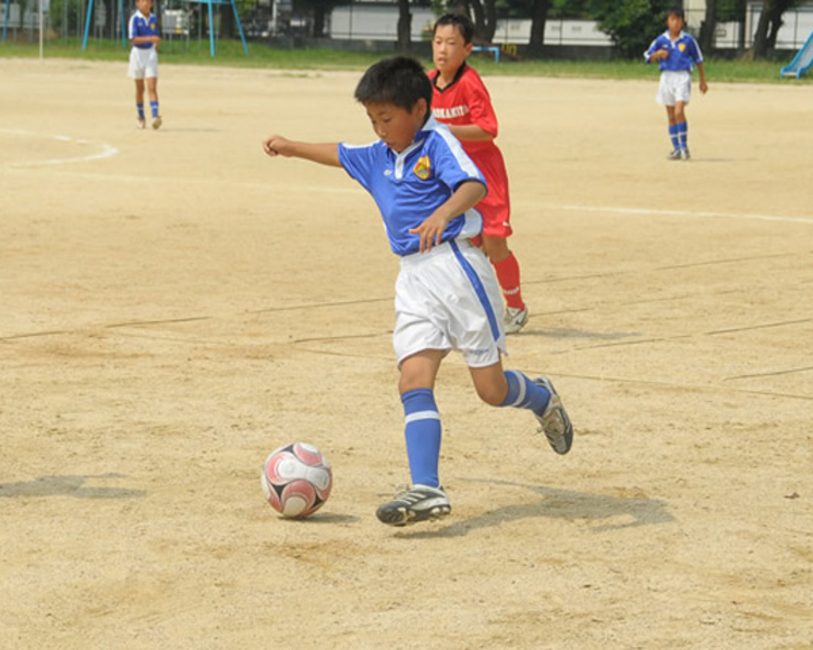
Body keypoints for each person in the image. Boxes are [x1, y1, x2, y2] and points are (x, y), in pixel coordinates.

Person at [262, 56, 573, 527]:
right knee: (413, 378)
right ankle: (426, 486)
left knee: (490, 390)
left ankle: (540, 397)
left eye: (387, 119)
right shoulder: (377, 158)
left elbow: (473, 184)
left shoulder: (436, 142)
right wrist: (288, 146)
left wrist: (441, 214)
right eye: (372, 120)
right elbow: (339, 152)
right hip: (413, 280)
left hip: (459, 269)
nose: (380, 128)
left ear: (419, 109)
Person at [429, 13, 529, 334]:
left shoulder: (470, 83)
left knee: (495, 243)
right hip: (454, 178)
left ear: (468, 49)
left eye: (451, 43)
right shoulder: (427, 82)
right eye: (437, 41)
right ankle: (469, 304)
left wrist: (447, 129)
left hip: (485, 176)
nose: (442, 49)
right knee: (460, 243)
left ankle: (515, 307)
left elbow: (489, 129)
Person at [644, 7, 708, 160]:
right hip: (666, 77)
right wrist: (657, 55)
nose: (676, 23)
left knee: (679, 111)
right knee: (671, 115)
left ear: (683, 22)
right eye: (672, 19)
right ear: (667, 21)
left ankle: (685, 147)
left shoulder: (688, 40)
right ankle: (677, 148)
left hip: (682, 76)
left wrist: (702, 81)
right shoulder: (661, 40)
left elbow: (698, 60)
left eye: (678, 19)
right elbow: (647, 56)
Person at [128, 0, 162, 130]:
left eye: (148, 2)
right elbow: (133, 39)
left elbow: (156, 35)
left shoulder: (153, 19)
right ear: (138, 3)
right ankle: (141, 117)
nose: (146, 4)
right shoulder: (135, 19)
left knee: (152, 86)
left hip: (150, 53)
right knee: (140, 89)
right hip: (138, 54)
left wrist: (156, 45)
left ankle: (155, 116)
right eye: (143, 1)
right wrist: (150, 39)